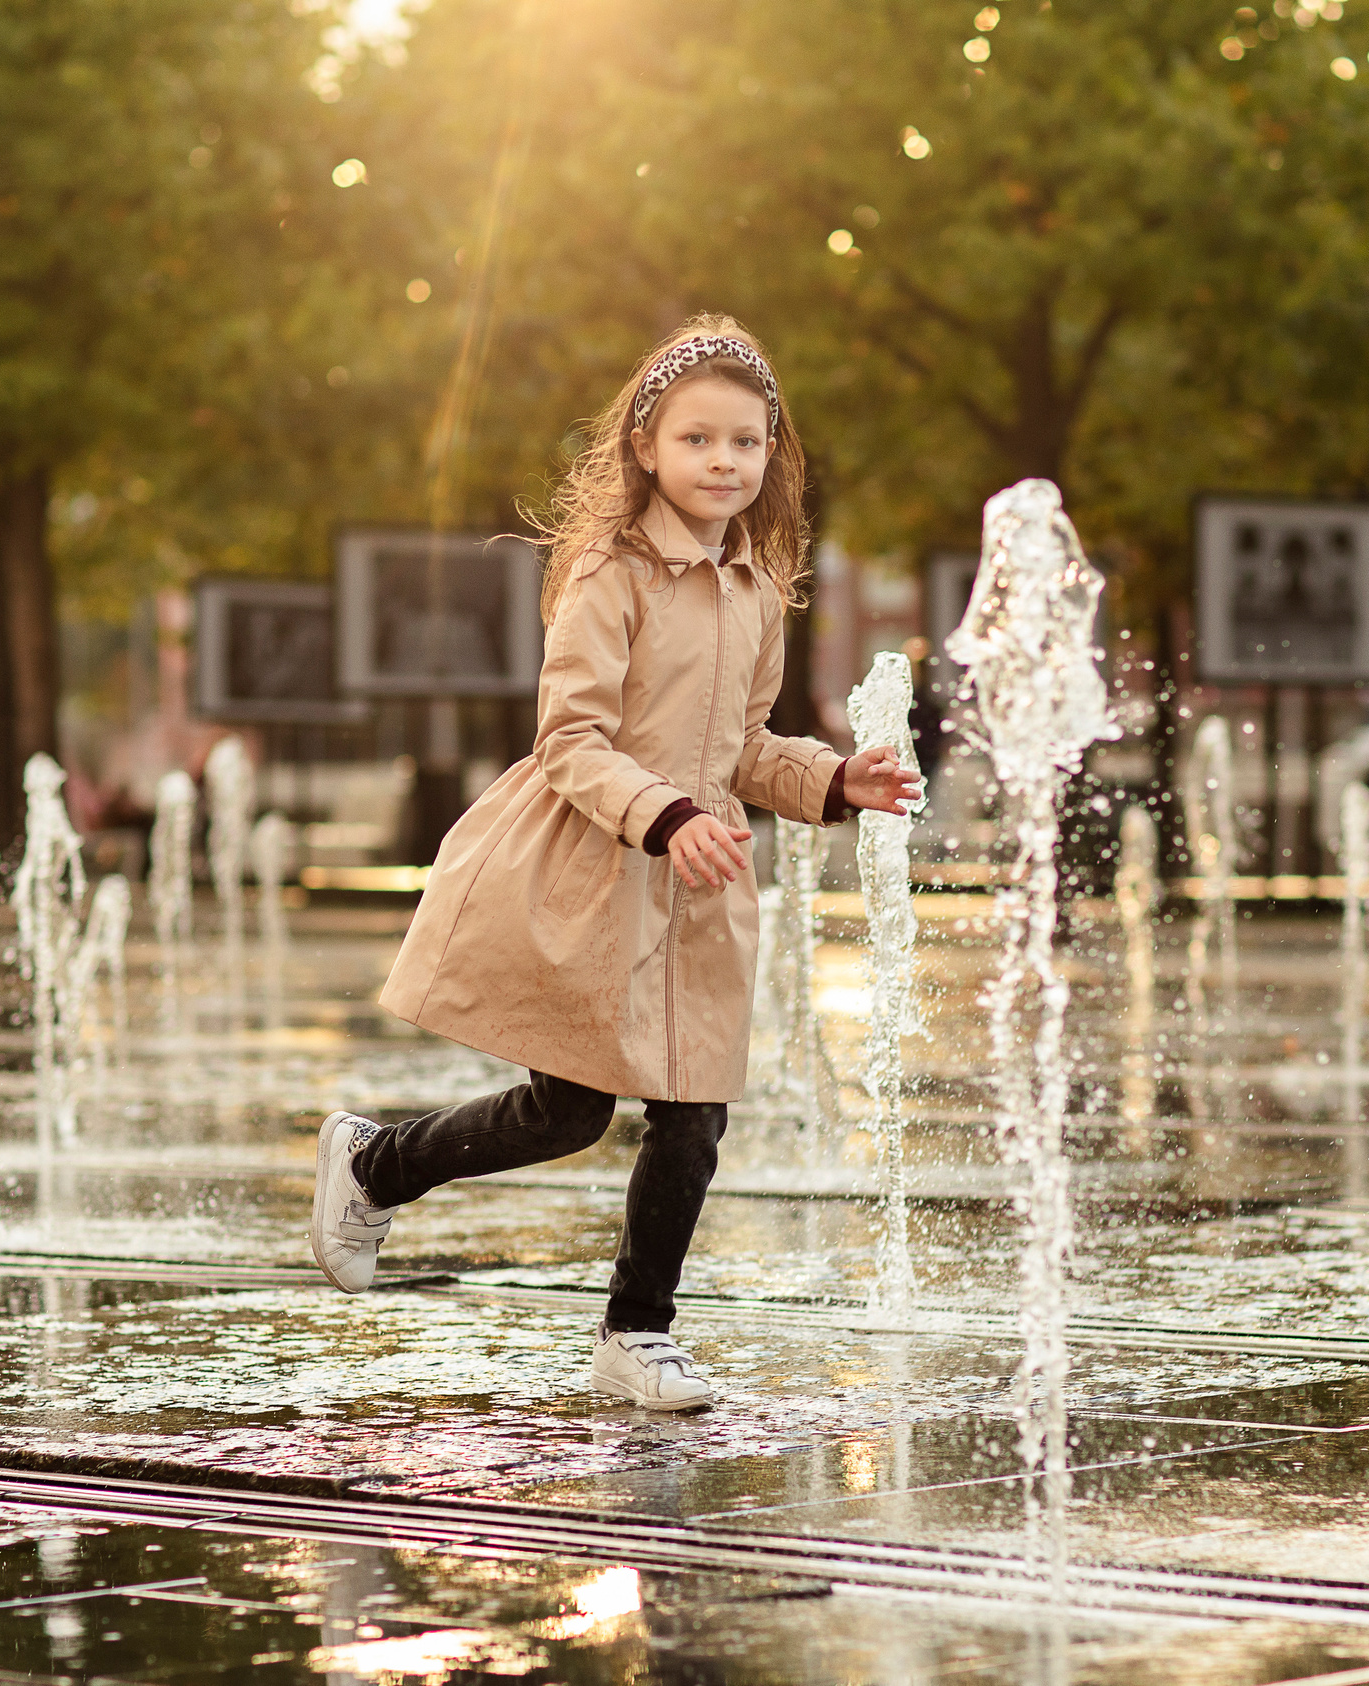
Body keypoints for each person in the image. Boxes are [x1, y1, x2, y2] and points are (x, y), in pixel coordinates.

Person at [308, 316, 921, 1411]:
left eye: (746, 442)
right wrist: (665, 815)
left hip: (700, 879)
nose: (723, 462)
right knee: (572, 1113)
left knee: (695, 1111)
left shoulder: (757, 583)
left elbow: (742, 746)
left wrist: (834, 782)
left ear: (772, 453)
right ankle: (376, 1164)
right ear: (645, 447)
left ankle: (638, 1332)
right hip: (599, 860)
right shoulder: (612, 570)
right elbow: (571, 740)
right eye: (698, 439)